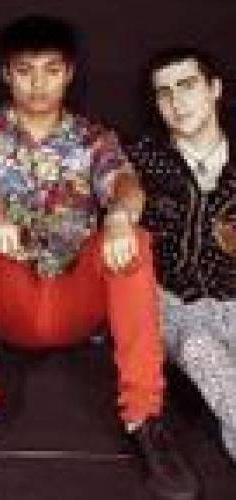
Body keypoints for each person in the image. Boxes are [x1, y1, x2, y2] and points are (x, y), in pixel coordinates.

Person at [0, 15, 197, 500]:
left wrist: (119, 216)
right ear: (6, 74)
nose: (38, 84)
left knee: (133, 237)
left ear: (68, 73)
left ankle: (145, 415)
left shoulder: (94, 137)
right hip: (9, 299)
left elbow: (126, 184)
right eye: (25, 71)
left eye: (51, 70)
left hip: (75, 302)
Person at [127, 47, 236, 463]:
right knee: (199, 349)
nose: (176, 101)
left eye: (188, 86)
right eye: (164, 92)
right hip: (174, 305)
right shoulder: (139, 161)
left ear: (214, 89)